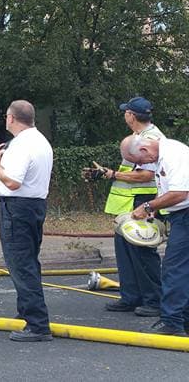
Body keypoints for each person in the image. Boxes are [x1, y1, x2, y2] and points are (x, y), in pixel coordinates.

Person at [84, 96, 164, 316]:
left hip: (142, 203)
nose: (124, 115)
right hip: (131, 203)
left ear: (131, 115)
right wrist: (107, 174)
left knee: (142, 252)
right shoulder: (139, 137)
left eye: (126, 112)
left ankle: (154, 300)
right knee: (126, 253)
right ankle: (131, 297)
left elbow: (146, 175)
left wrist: (112, 174)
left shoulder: (150, 139)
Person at [0, 100, 54, 342]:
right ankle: (27, 310)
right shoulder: (40, 141)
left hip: (17, 207)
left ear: (11, 118)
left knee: (21, 263)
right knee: (28, 260)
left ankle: (37, 324)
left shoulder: (21, 145)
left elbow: (13, 182)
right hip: (33, 205)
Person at [124, 135, 189, 336]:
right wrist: (156, 208)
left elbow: (180, 193)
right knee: (182, 269)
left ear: (144, 150)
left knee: (174, 268)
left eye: (140, 161)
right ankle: (183, 318)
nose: (143, 165)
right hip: (181, 215)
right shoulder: (166, 154)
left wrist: (148, 206)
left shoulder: (172, 155)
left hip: (185, 215)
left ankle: (172, 321)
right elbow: (168, 190)